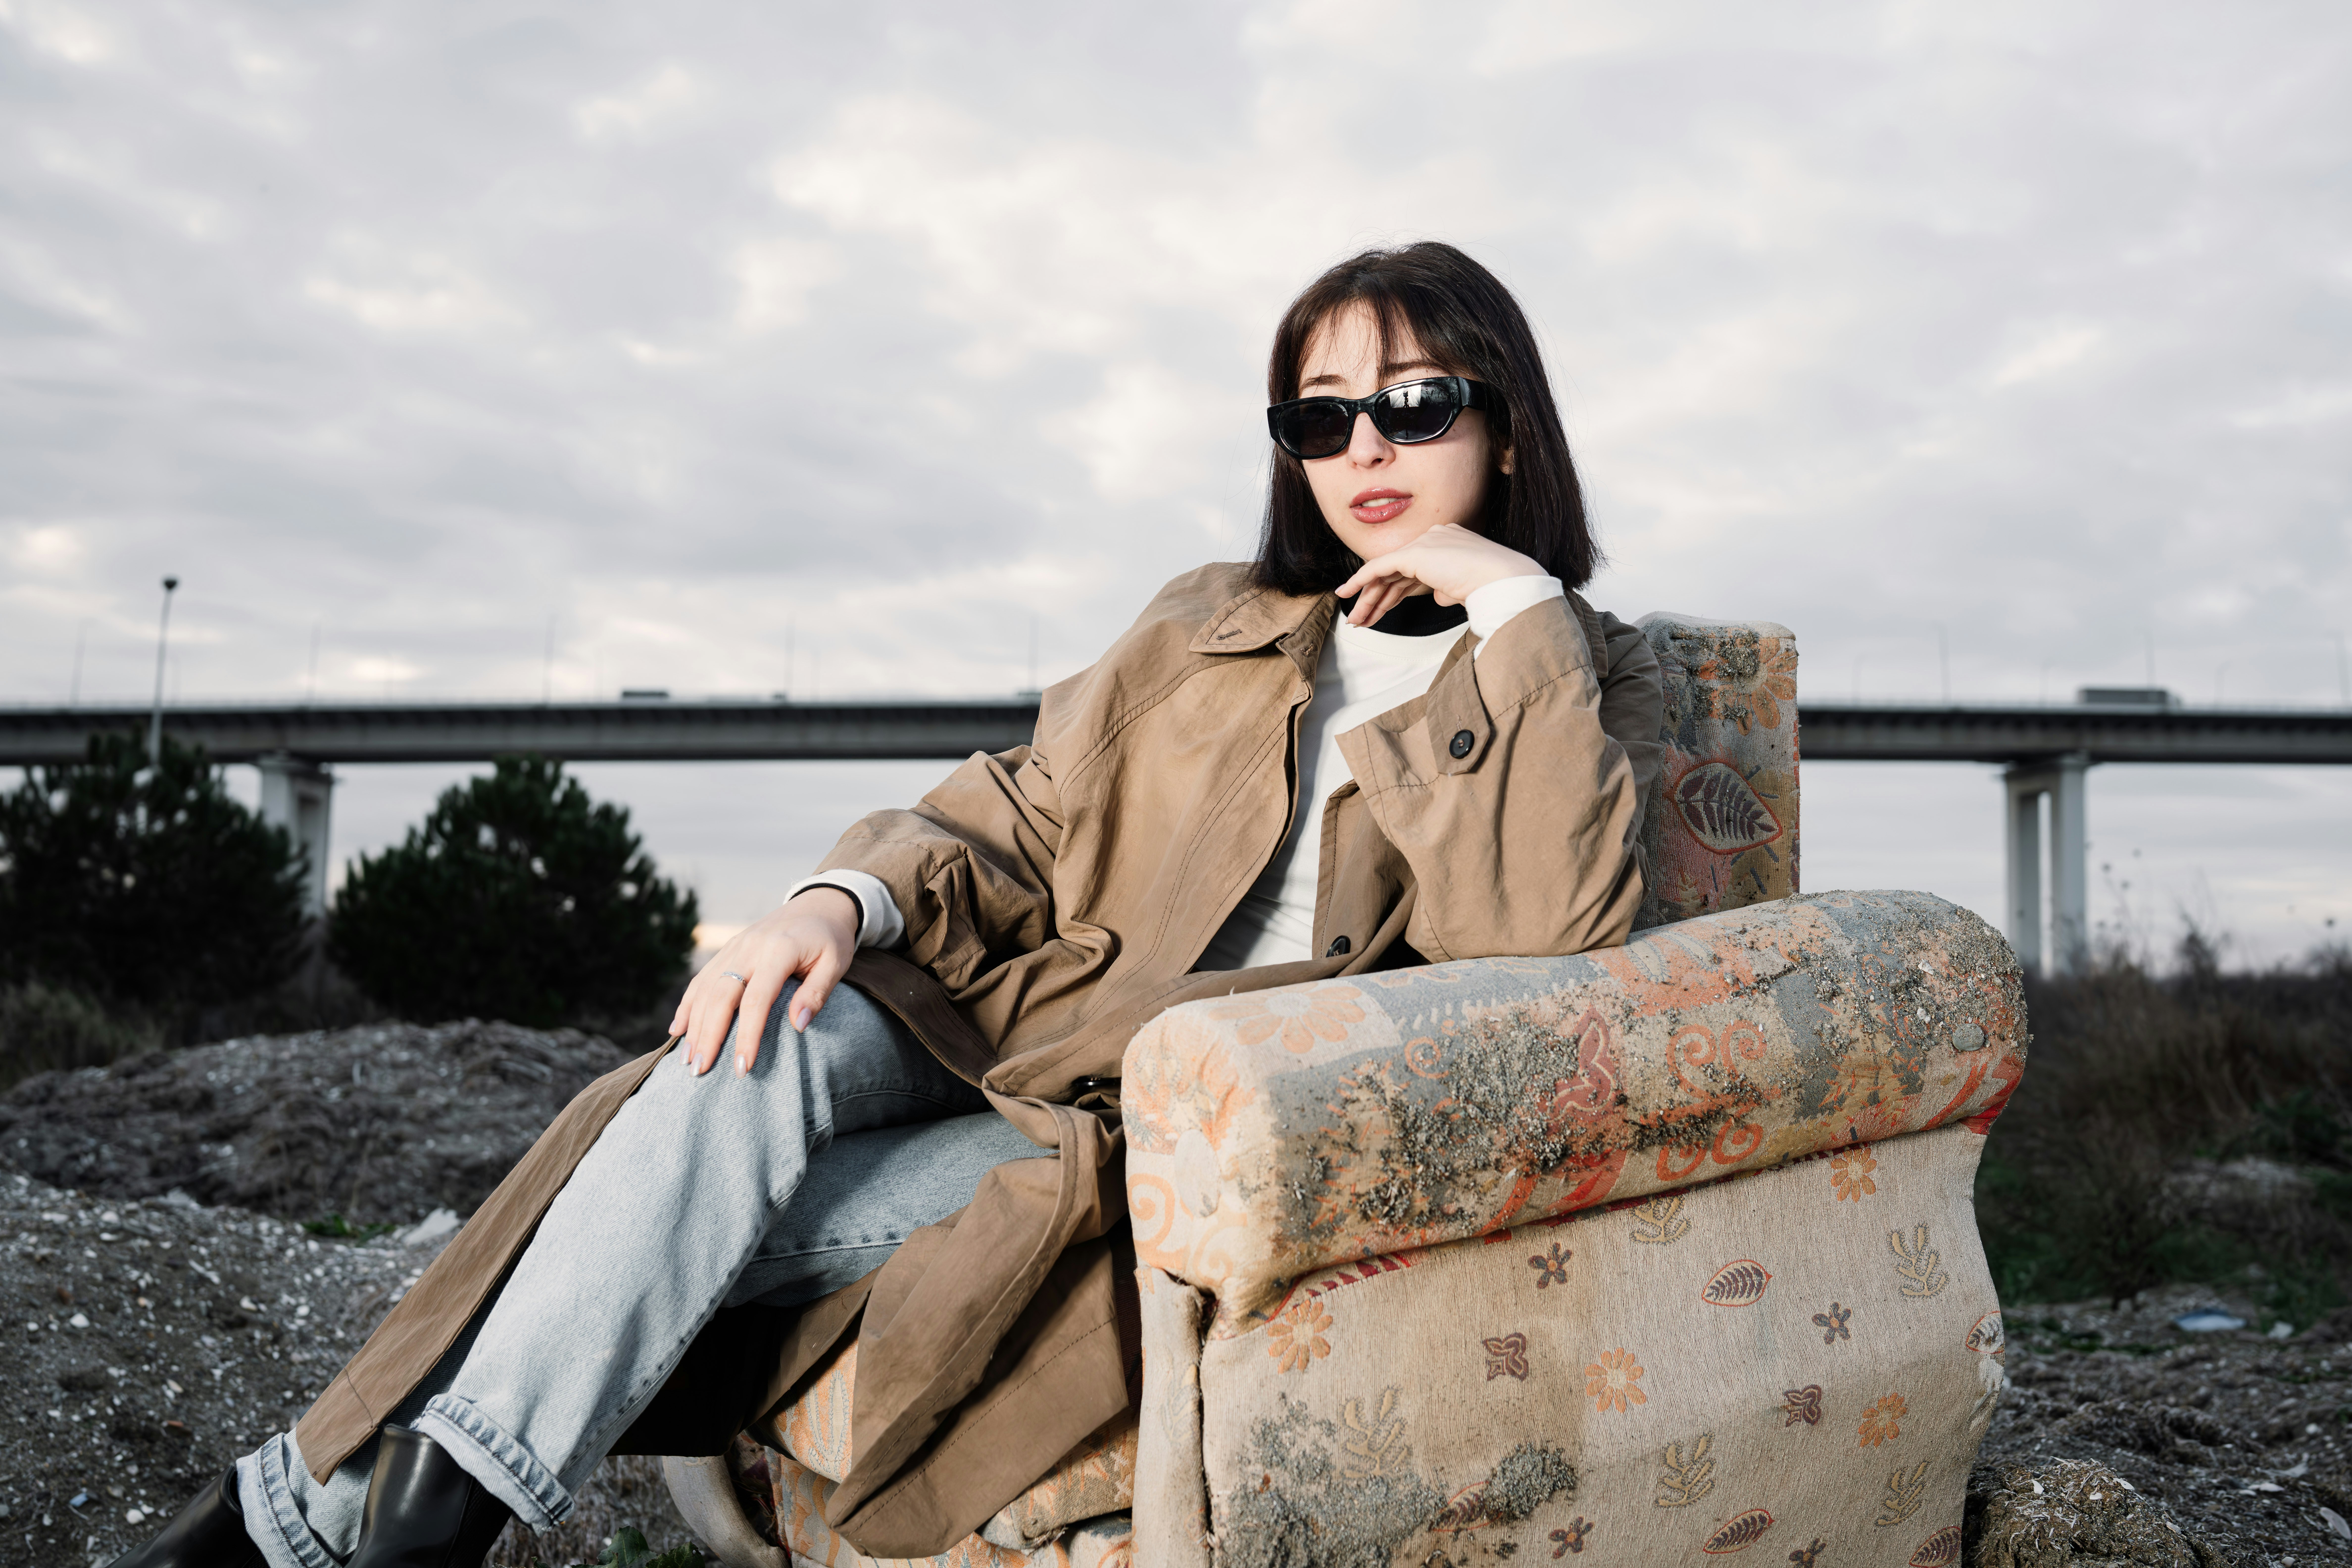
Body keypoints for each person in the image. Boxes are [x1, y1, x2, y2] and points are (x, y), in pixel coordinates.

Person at [114, 240, 1664, 1568]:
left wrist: (1514, 608)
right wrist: (837, 904)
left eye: (1416, 404)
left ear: (1507, 426)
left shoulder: (1562, 674)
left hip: (1146, 1105)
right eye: (1323, 417)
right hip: (998, 1001)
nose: (1366, 451)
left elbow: (1559, 939)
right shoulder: (1214, 618)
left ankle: (316, 1524)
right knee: (753, 1039)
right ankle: (392, 1527)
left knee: (689, 1205)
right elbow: (1022, 806)